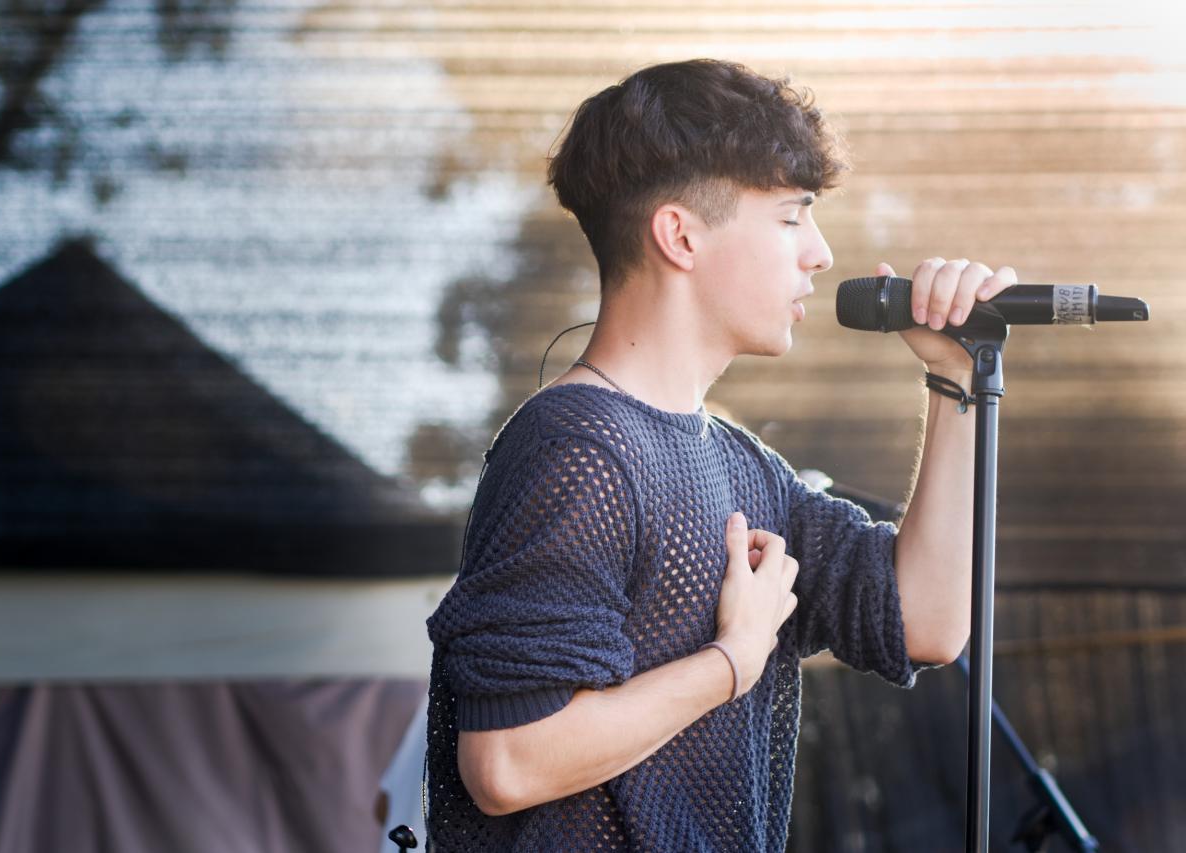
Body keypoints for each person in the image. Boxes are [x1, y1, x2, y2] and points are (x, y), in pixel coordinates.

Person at [423, 58, 1016, 851]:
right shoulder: (578, 449)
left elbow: (926, 622)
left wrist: (954, 382)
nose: (820, 253)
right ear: (680, 235)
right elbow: (507, 760)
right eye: (791, 217)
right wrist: (731, 660)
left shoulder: (746, 465)